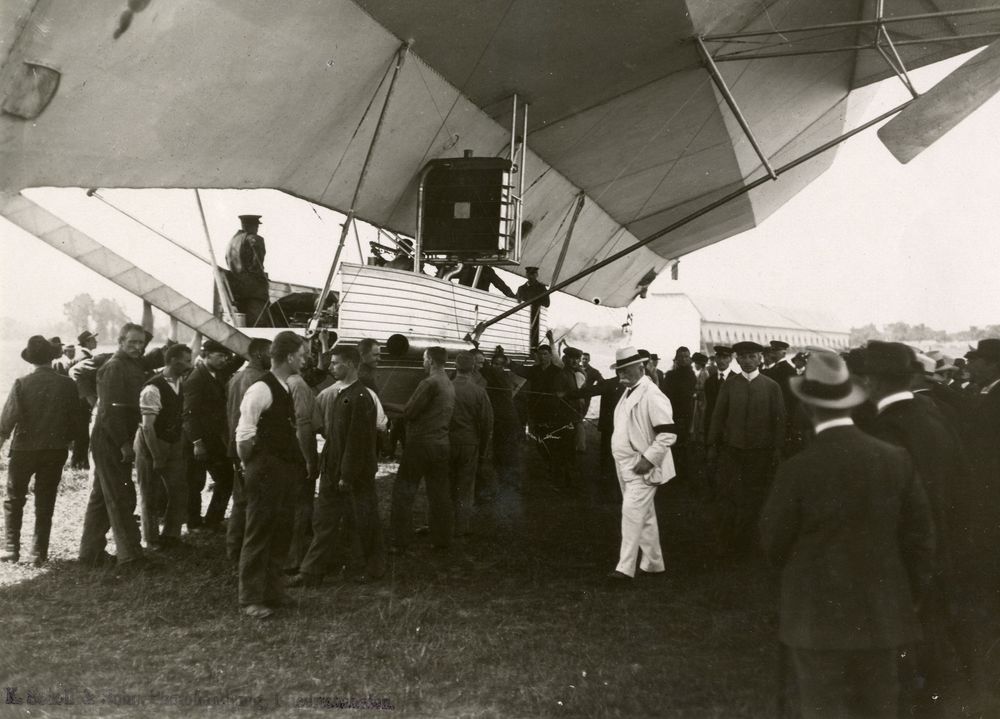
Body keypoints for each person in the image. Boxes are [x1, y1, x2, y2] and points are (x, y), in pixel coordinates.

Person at [759, 351, 935, 719]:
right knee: (879, 707)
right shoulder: (895, 459)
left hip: (815, 620)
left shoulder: (797, 469)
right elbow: (920, 542)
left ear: (808, 407)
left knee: (823, 708)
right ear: (853, 403)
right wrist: (906, 596)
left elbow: (773, 544)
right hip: (883, 615)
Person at [858, 340, 980, 711]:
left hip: (901, 563)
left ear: (870, 381)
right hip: (940, 556)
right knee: (932, 650)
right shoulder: (933, 416)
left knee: (901, 667)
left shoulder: (885, 431)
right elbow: (964, 489)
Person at [288, 345, 385, 587]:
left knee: (365, 520)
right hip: (332, 467)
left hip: (354, 472)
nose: (330, 367)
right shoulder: (338, 394)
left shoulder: (361, 396)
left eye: (335, 363)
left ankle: (372, 569)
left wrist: (347, 474)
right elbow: (332, 435)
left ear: (351, 364)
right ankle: (310, 572)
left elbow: (358, 440)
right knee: (324, 521)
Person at [235, 331, 314, 619]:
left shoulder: (283, 386)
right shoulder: (261, 389)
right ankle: (251, 598)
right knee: (259, 533)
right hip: (265, 469)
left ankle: (273, 590)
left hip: (281, 469)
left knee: (280, 531)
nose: (305, 360)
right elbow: (244, 437)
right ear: (290, 356)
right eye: (303, 355)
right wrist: (254, 466)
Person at [78, 323, 152, 571]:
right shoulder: (113, 367)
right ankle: (130, 557)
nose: (137, 347)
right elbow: (109, 412)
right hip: (110, 438)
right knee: (121, 497)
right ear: (120, 341)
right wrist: (123, 444)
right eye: (131, 342)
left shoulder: (131, 364)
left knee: (101, 496)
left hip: (117, 436)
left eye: (141, 343)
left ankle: (90, 553)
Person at [0, 336, 79, 564]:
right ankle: (38, 553)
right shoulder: (67, 384)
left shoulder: (21, 383)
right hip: (55, 450)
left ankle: (11, 549)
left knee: (14, 499)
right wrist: (69, 442)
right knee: (45, 501)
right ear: (52, 357)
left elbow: (6, 421)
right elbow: (76, 420)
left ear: (31, 360)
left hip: (24, 449)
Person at [707, 340, 785, 557]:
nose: (747, 361)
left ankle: (750, 543)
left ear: (760, 358)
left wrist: (777, 449)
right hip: (732, 450)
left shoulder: (771, 386)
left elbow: (779, 421)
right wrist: (712, 444)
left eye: (752, 356)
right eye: (742, 357)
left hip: (760, 452)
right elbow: (718, 416)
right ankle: (729, 543)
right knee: (730, 497)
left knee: (755, 497)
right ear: (737, 359)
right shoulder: (729, 385)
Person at [605, 347, 677, 581]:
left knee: (631, 512)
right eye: (619, 370)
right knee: (644, 515)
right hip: (625, 464)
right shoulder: (628, 391)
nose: (621, 375)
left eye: (625, 370)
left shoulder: (652, 394)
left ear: (641, 368)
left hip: (642, 464)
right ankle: (654, 563)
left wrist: (649, 459)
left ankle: (624, 568)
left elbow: (668, 433)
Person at [390, 346, 455, 552]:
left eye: (424, 359)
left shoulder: (429, 383)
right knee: (439, 493)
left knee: (403, 492)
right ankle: (442, 539)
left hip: (420, 445)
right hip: (441, 444)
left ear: (432, 361)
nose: (423, 363)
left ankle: (399, 542)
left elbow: (409, 412)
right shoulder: (448, 383)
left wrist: (383, 404)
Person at [134, 343, 192, 550]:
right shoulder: (152, 388)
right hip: (152, 444)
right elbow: (148, 428)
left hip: (173, 441)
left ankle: (171, 535)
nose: (190, 364)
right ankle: (151, 540)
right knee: (149, 493)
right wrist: (157, 455)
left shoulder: (179, 381)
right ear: (174, 361)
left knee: (179, 490)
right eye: (186, 361)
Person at [225, 337, 272, 562]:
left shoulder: (236, 377)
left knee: (240, 498)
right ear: (260, 354)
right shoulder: (260, 380)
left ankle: (234, 548)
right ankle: (243, 550)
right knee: (252, 500)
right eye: (271, 353)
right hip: (251, 446)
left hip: (236, 444)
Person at [183, 339, 236, 531]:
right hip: (198, 440)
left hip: (212, 438)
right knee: (196, 482)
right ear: (206, 355)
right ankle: (195, 522)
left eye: (225, 356)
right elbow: (188, 414)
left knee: (224, 478)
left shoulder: (213, 372)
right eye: (220, 356)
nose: (224, 359)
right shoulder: (196, 378)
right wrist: (197, 442)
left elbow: (233, 363)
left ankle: (211, 520)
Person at [449, 352, 493, 536]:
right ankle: (461, 528)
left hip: (447, 443)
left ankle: (445, 524)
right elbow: (487, 423)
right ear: (473, 367)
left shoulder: (446, 388)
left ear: (455, 366)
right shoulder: (478, 392)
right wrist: (482, 451)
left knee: (447, 484)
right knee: (465, 486)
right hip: (469, 444)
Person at [225, 214, 271, 327]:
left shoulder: (232, 241)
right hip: (254, 291)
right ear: (252, 226)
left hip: (236, 289)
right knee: (259, 325)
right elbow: (257, 265)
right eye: (256, 226)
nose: (257, 229)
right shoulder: (255, 240)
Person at [661, 346, 696, 483]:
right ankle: (671, 474)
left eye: (686, 356)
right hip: (672, 415)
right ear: (676, 359)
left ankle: (682, 475)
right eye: (681, 357)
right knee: (671, 444)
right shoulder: (670, 375)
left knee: (684, 444)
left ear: (690, 359)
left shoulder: (692, 376)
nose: (683, 359)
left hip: (687, 415)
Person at [69, 330, 99, 469]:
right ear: (87, 341)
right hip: (83, 399)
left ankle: (79, 461)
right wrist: (90, 400)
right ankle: (79, 461)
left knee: (81, 431)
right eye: (93, 339)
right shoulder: (84, 357)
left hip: (80, 398)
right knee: (83, 431)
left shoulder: (83, 355)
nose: (96, 341)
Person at [515, 266, 550, 350]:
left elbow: (547, 303)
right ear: (526, 275)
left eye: (533, 274)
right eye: (529, 274)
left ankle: (533, 350)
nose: (531, 276)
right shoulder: (521, 288)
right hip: (523, 316)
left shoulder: (541, 288)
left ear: (536, 275)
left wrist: (536, 303)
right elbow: (516, 302)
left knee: (534, 336)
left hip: (536, 315)